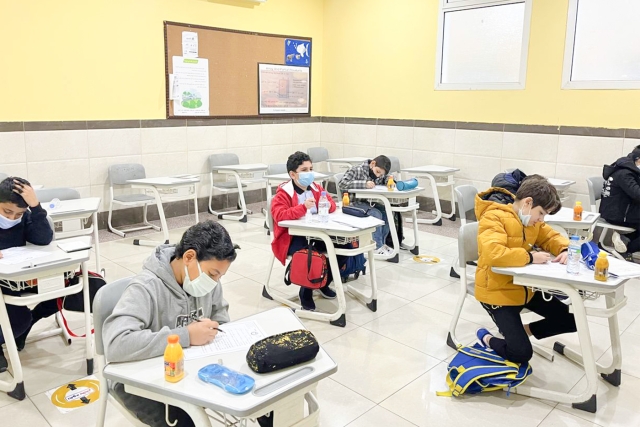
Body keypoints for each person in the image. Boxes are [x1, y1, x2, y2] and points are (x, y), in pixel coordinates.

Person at [103, 221, 236, 427]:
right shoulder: (146, 287)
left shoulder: (208, 283)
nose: (215, 282)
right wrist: (186, 336)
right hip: (138, 380)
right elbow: (116, 344)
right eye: (212, 274)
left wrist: (214, 328)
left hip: (187, 370)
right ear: (189, 257)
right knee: (186, 422)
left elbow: (221, 317)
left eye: (220, 276)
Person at [474, 176, 577, 363]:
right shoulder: (493, 216)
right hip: (497, 293)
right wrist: (530, 257)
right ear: (528, 203)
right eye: (541, 213)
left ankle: (524, 332)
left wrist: (564, 249)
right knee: (521, 354)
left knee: (572, 319)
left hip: (525, 289)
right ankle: (486, 338)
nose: (541, 219)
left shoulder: (531, 221)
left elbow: (550, 237)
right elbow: (492, 253)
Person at [0, 177, 57, 372]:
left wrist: (36, 207)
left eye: (19, 213)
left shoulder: (25, 217)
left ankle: (23, 330)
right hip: (3, 283)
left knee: (63, 287)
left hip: (20, 276)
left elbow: (43, 239)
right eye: (7, 211)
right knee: (19, 320)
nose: (12, 218)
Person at [271, 151, 338, 311]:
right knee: (312, 255)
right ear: (293, 174)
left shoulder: (316, 188)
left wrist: (326, 205)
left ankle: (323, 282)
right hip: (293, 237)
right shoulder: (284, 193)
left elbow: (331, 204)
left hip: (317, 234)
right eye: (304, 170)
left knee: (343, 248)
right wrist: (302, 208)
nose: (309, 173)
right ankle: (306, 292)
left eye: (311, 169)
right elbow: (279, 215)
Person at [338, 156, 393, 255]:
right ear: (372, 164)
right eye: (377, 172)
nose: (378, 176)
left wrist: (389, 180)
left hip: (366, 203)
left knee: (386, 210)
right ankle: (376, 246)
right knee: (375, 213)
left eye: (381, 174)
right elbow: (342, 184)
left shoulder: (378, 173)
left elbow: (386, 177)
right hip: (351, 204)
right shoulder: (356, 170)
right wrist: (364, 184)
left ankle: (382, 243)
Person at [599, 145, 640, 260]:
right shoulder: (624, 173)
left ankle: (624, 241)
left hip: (623, 210)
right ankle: (625, 249)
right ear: (638, 159)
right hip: (616, 214)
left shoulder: (629, 170)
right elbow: (637, 194)